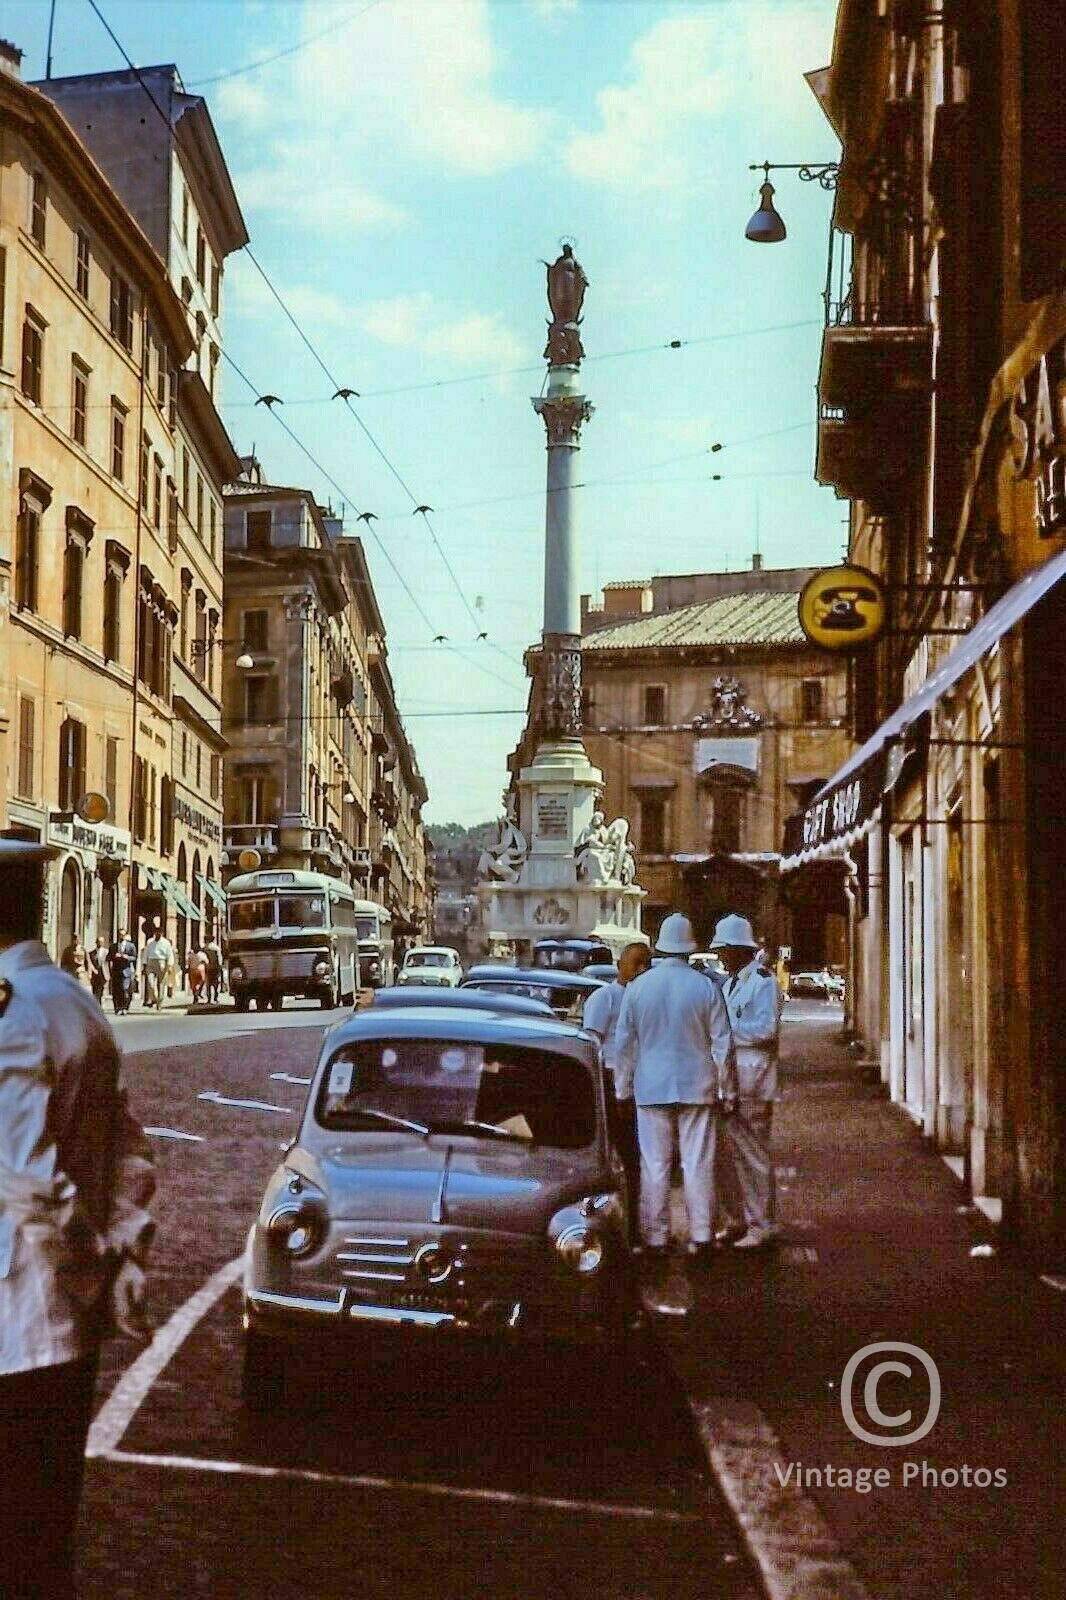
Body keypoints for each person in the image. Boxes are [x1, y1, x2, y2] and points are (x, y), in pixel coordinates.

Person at [0, 838, 155, 1599]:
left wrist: (93, 1253)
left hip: (17, 1318)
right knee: (44, 1528)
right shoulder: (74, 1000)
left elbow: (24, 1176)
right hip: (66, 1324)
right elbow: (129, 1146)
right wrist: (125, 1250)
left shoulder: (12, 1015)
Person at [615, 913, 738, 1271]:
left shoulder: (638, 988)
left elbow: (625, 1045)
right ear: (689, 947)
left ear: (660, 947)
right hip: (697, 1086)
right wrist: (727, 1091)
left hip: (651, 1086)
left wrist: (622, 1090)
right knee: (697, 1163)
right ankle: (701, 1236)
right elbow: (723, 1045)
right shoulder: (706, 988)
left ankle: (655, 1237)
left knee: (654, 1164)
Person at [711, 914, 784, 1250]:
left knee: (754, 1156)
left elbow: (767, 1030)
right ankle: (737, 1219)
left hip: (753, 1080)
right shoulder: (727, 985)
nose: (722, 956)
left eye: (725, 950)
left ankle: (762, 1223)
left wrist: (726, 1033)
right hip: (731, 1081)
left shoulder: (763, 981)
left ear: (740, 950)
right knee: (730, 1157)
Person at [582, 941, 652, 1244]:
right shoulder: (605, 998)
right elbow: (592, 1044)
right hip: (612, 1085)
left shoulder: (646, 998)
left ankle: (636, 1226)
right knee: (618, 1157)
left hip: (642, 1086)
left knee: (638, 1160)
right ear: (621, 965)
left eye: (645, 963)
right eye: (636, 963)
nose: (640, 970)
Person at [142, 924, 173, 1011]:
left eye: (159, 933)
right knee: (150, 982)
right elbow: (146, 952)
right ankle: (154, 998)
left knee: (161, 984)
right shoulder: (150, 942)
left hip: (161, 962)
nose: (157, 934)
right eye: (156, 933)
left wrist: (169, 966)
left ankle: (160, 1002)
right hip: (151, 962)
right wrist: (144, 964)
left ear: (162, 933)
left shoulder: (166, 943)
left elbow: (169, 955)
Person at [109, 929, 137, 1015]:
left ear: (125, 936)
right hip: (116, 971)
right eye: (120, 935)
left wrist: (127, 957)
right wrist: (114, 956)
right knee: (116, 991)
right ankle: (117, 1008)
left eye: (123, 935)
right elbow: (109, 958)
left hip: (126, 971)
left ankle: (125, 1007)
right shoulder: (113, 946)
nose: (121, 936)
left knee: (125, 989)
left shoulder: (131, 946)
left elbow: (134, 958)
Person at [88, 935, 110, 1004]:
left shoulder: (106, 952)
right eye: (99, 942)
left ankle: (100, 1003)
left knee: (102, 989)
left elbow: (109, 963)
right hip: (95, 973)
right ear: (96, 942)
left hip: (103, 973)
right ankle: (96, 1004)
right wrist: (92, 970)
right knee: (95, 990)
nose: (100, 943)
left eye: (102, 942)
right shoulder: (91, 953)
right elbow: (89, 963)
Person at [204, 933, 224, 1004]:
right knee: (216, 983)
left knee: (208, 984)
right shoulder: (216, 948)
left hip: (207, 968)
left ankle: (209, 999)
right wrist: (220, 967)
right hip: (215, 968)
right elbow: (219, 958)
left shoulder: (204, 948)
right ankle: (215, 997)